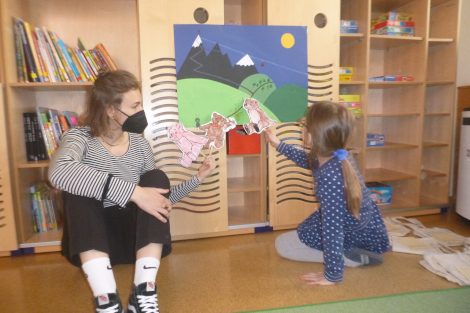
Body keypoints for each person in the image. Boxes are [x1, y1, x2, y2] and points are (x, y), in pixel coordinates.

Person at [48, 70, 216, 313]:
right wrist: (134, 193)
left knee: (156, 177)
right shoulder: (79, 137)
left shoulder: (140, 144)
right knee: (76, 185)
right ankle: (107, 301)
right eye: (135, 105)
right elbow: (59, 173)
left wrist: (197, 178)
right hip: (95, 241)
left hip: (135, 242)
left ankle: (143, 293)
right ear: (110, 110)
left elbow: (159, 200)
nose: (140, 112)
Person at [264, 101, 389, 286]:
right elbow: (307, 161)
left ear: (314, 135)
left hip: (349, 229)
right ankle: (348, 251)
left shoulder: (331, 177)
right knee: (302, 232)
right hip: (356, 222)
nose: (302, 127)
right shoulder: (335, 154)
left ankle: (351, 257)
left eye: (304, 124)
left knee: (282, 245)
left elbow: (333, 229)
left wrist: (332, 274)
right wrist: (279, 145)